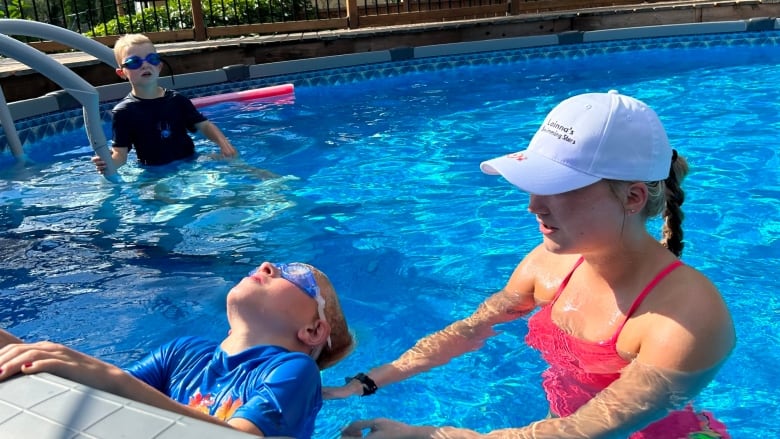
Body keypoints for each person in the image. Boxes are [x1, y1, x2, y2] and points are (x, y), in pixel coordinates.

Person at [333, 91, 736, 438]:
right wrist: (365, 382)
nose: (533, 206)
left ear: (632, 198)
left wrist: (429, 434)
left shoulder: (687, 317)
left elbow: (591, 428)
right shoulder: (548, 265)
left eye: (558, 188)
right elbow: (470, 329)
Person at [0, 261, 354, 439]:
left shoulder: (294, 371)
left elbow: (237, 438)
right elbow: (105, 395)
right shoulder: (184, 353)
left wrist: (108, 375)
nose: (267, 266)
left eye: (296, 276)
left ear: (312, 330)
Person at [92, 33, 238, 174]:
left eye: (152, 59)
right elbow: (120, 155)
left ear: (159, 67)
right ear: (122, 73)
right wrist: (107, 164)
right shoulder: (124, 112)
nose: (145, 65)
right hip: (155, 172)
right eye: (134, 62)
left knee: (236, 165)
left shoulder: (177, 100)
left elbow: (204, 125)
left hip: (191, 162)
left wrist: (223, 144)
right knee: (156, 195)